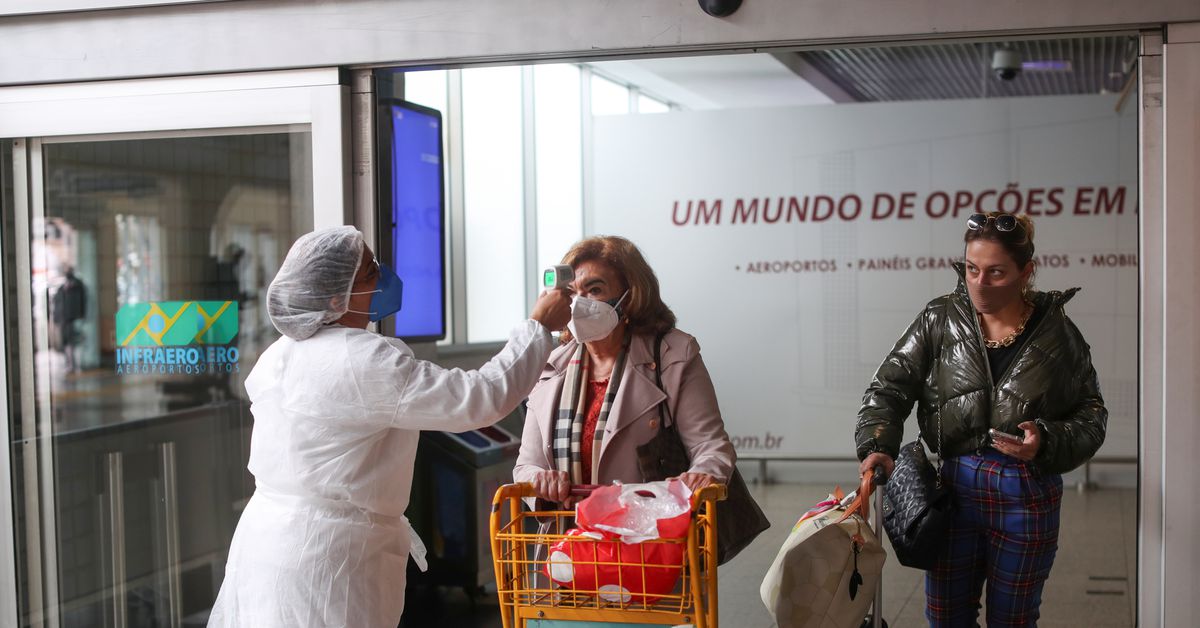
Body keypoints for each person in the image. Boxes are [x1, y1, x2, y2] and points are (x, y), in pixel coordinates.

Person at [207, 225, 571, 628]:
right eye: (370, 272)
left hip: (266, 543)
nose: (383, 276)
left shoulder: (279, 355)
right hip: (330, 561)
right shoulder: (362, 360)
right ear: (335, 298)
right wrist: (538, 327)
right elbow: (480, 399)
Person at [854, 212, 1107, 627]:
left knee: (1013, 619)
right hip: (953, 491)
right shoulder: (940, 318)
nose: (980, 283)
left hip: (1028, 493)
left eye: (996, 272)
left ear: (1026, 271)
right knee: (945, 617)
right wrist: (878, 444)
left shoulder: (1058, 334)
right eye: (972, 269)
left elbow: (1092, 415)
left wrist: (1046, 440)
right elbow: (889, 386)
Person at [514, 235, 735, 505]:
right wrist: (540, 480)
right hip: (569, 528)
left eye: (595, 290)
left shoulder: (674, 356)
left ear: (630, 298)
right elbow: (526, 466)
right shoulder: (549, 366)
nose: (579, 303)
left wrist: (702, 475)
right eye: (571, 293)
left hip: (650, 526)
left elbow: (709, 446)